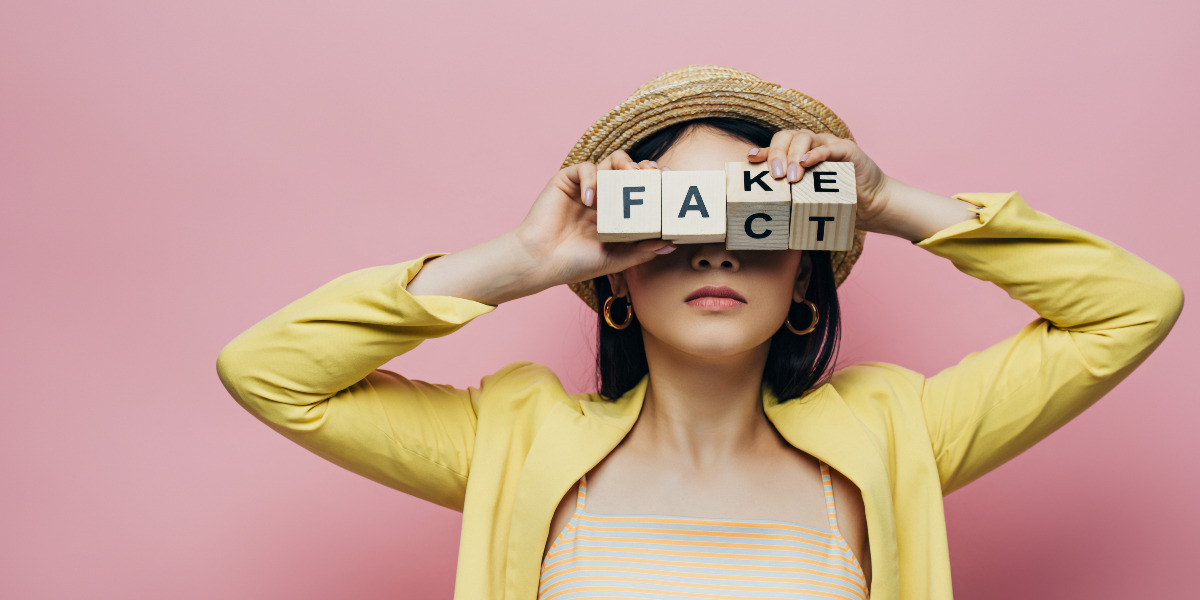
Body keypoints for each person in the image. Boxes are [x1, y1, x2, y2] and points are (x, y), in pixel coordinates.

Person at [215, 65, 1183, 600]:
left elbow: (1131, 305)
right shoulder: (513, 437)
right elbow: (268, 372)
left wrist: (888, 202)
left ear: (803, 271)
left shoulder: (897, 434)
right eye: (676, 221)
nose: (717, 248)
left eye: (756, 219)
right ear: (618, 275)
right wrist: (523, 259)